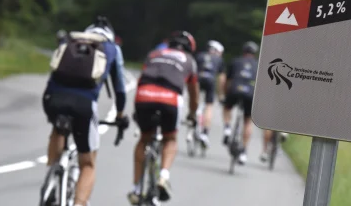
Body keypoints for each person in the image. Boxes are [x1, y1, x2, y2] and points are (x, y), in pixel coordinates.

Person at [42, 16, 129, 206]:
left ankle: (52, 176)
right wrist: (120, 116)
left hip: (52, 99)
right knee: (88, 164)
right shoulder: (112, 48)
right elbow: (120, 90)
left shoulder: (71, 41)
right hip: (83, 105)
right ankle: (79, 203)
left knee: (58, 129)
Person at [129, 30, 199, 204]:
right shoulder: (189, 61)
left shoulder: (154, 53)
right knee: (170, 139)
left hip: (143, 95)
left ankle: (136, 188)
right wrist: (192, 114)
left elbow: (141, 79)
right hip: (170, 99)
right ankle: (163, 176)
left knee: (144, 139)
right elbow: (194, 93)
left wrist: (136, 110)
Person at [220, 41, 259, 165]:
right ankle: (243, 152)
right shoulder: (259, 65)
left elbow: (226, 80)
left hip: (235, 90)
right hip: (250, 93)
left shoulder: (235, 61)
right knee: (248, 121)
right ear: (254, 53)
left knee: (227, 108)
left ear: (243, 51)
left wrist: (225, 95)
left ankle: (227, 128)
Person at [191, 40, 226, 149]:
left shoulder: (199, 56)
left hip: (198, 79)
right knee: (209, 106)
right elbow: (221, 79)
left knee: (194, 99)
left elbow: (191, 71)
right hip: (210, 81)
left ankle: (191, 117)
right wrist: (220, 95)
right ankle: (205, 133)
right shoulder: (219, 60)